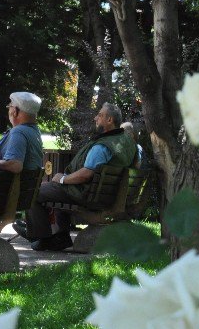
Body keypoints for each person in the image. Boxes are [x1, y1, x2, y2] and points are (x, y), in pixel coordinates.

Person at [19, 102, 137, 251]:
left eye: (99, 115)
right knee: (55, 191)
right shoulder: (127, 143)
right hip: (107, 195)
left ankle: (38, 235)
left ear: (109, 120)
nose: (95, 118)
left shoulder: (102, 146)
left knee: (33, 191)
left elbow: (85, 174)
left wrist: (62, 179)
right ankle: (60, 237)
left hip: (85, 194)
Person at [0, 92, 44, 173]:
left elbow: (15, 166)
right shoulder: (35, 132)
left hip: (6, 185)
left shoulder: (18, 132)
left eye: (9, 107)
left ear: (15, 111)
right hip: (27, 184)